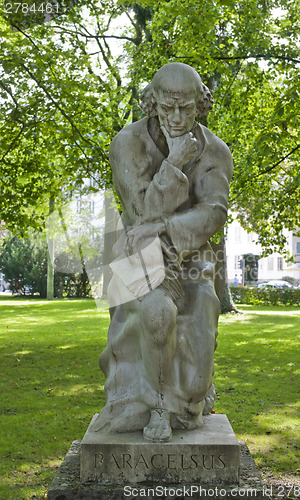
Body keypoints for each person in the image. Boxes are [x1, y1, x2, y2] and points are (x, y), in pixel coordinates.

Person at [91, 63, 233, 442]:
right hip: (137, 253)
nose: (175, 117)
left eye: (185, 108)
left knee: (196, 383)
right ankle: (154, 406)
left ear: (200, 105)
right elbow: (140, 214)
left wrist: (165, 227)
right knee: (157, 313)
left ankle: (186, 401)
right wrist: (174, 163)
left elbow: (213, 213)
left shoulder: (216, 151)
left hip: (192, 256)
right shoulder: (127, 143)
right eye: (167, 107)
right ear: (152, 103)